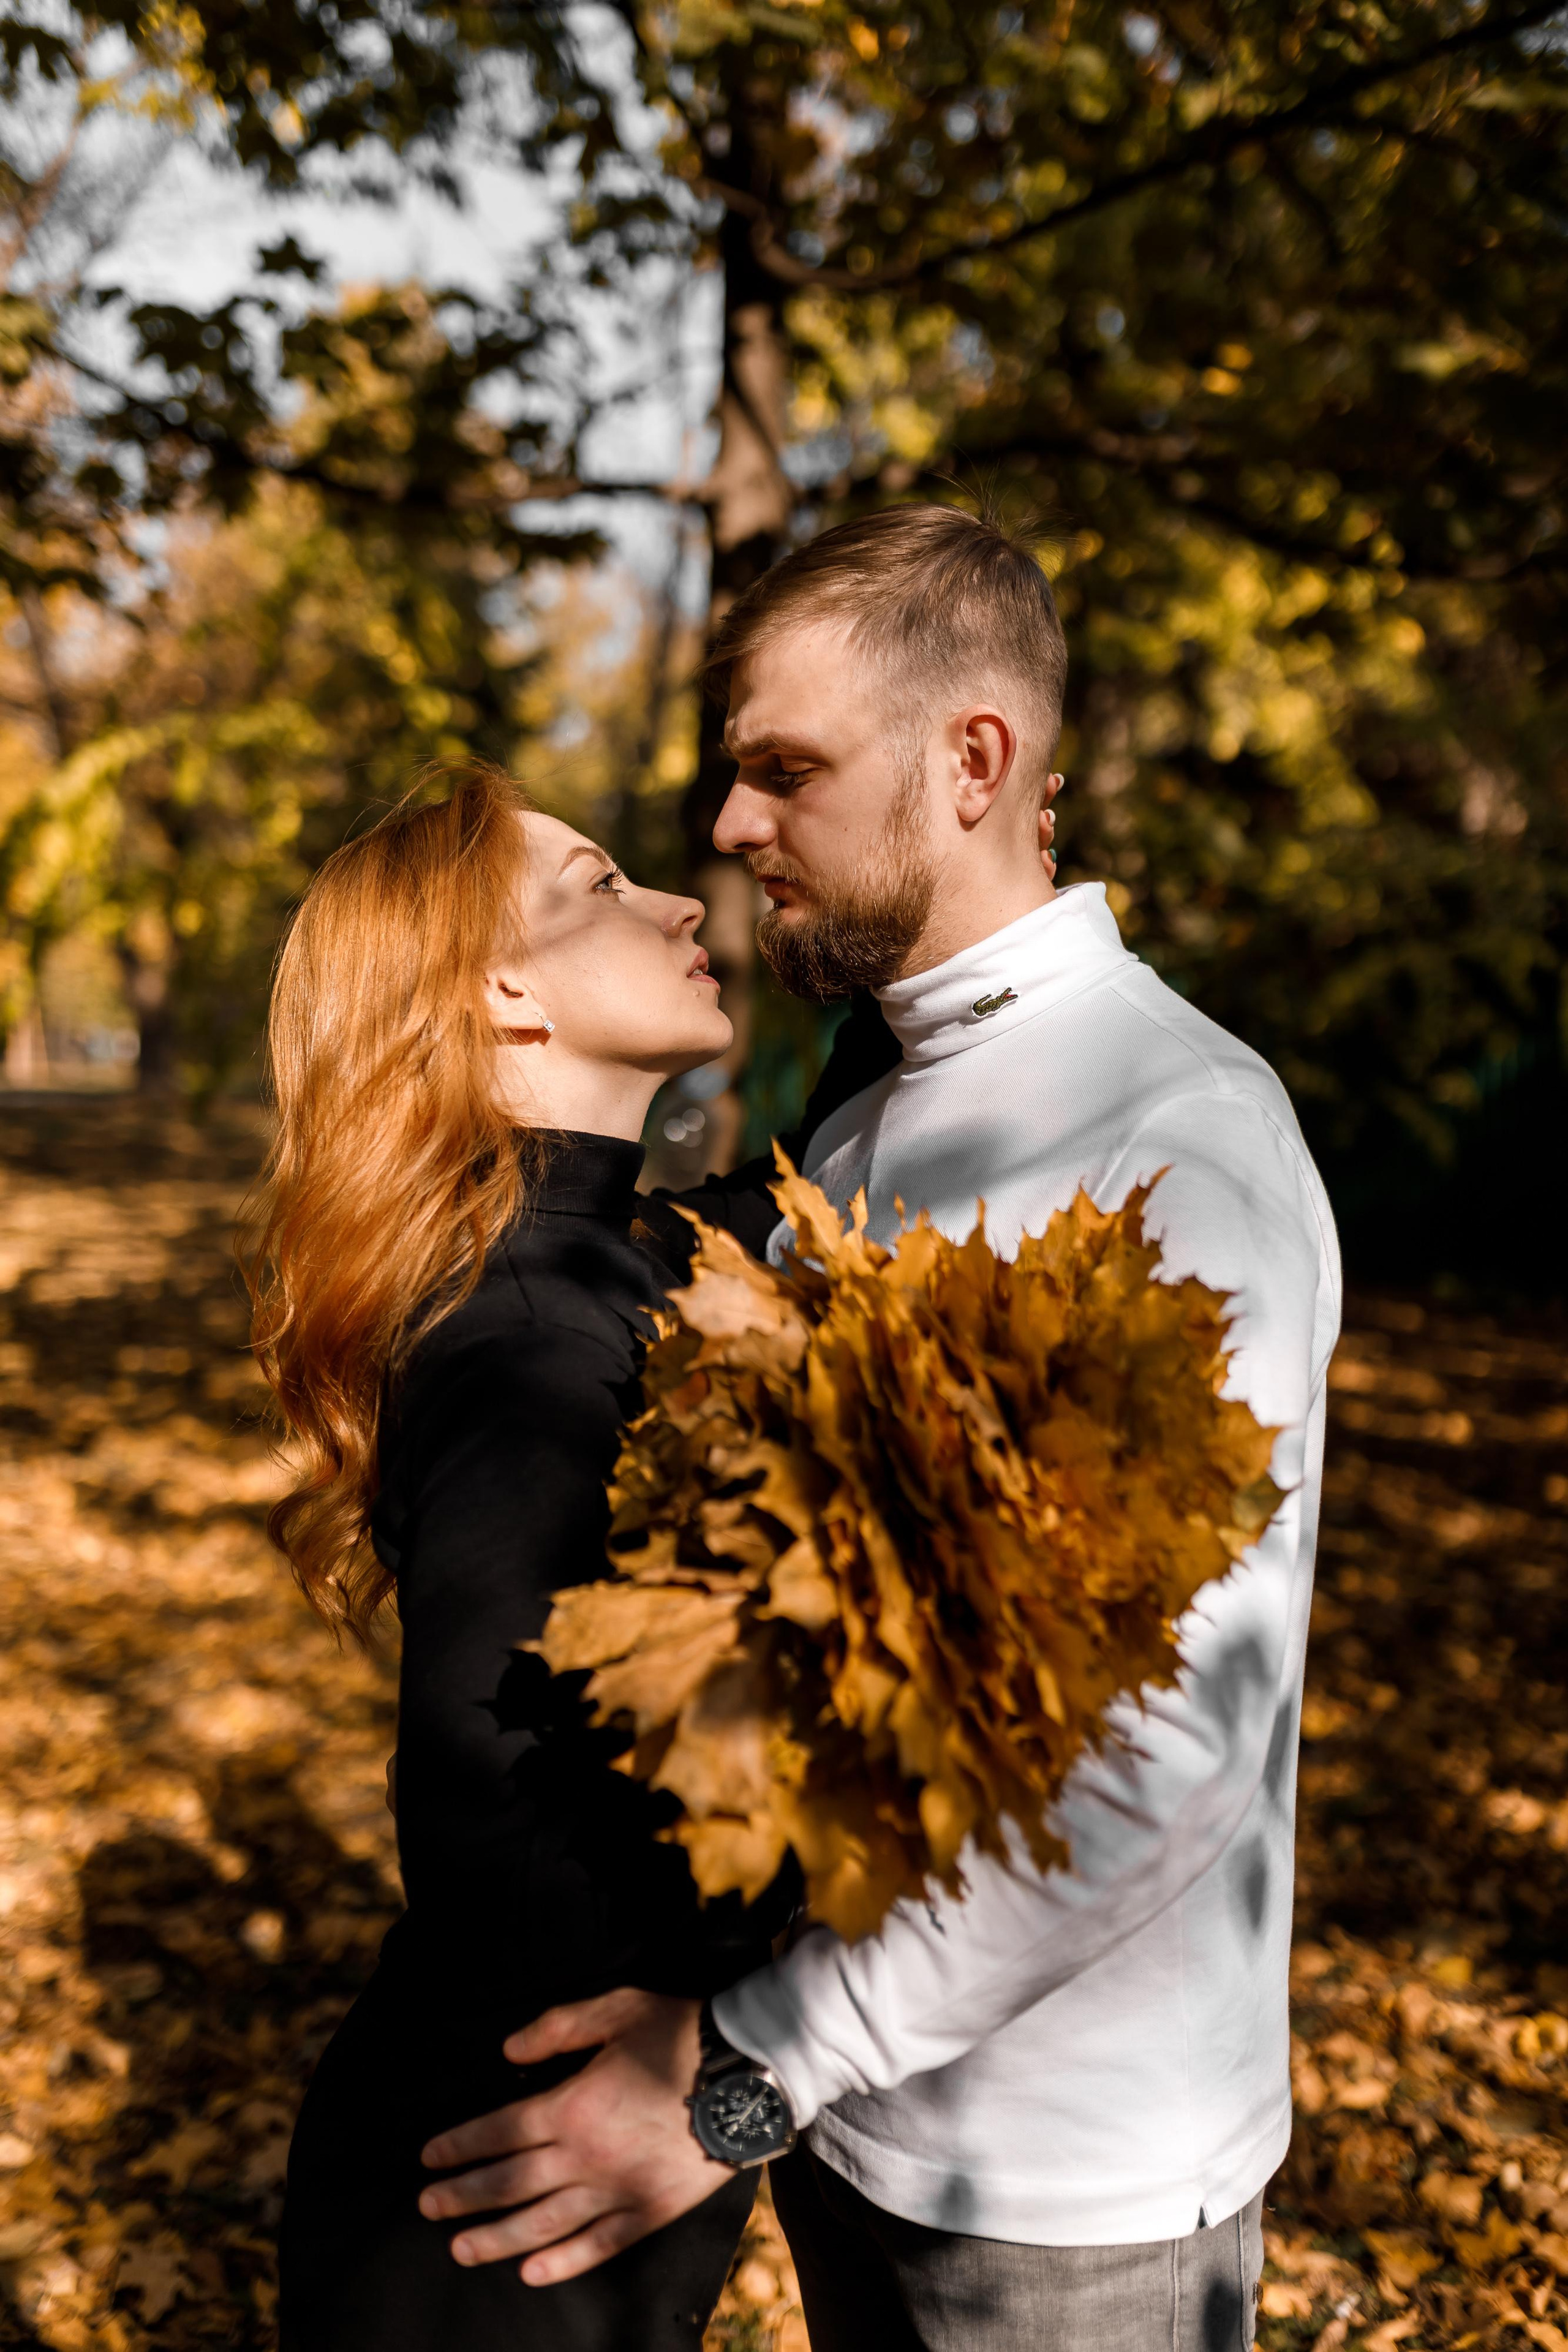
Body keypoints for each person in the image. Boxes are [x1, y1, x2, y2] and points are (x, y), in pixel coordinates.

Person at [421, 505, 1343, 2351]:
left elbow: (1167, 1764)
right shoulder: (856, 1136)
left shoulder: (1182, 1139)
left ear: (974, 762)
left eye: (784, 771)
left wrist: (741, 2077)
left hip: (1065, 2206)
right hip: (849, 2137)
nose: (731, 829)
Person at [249, 770, 832, 2352]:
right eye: (599, 881)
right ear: (502, 993)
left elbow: (802, 1179)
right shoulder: (525, 1339)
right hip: (496, 2218)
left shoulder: (596, 1261)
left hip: (533, 2187)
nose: (674, 902)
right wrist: (732, 2057)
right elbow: (493, 1819)